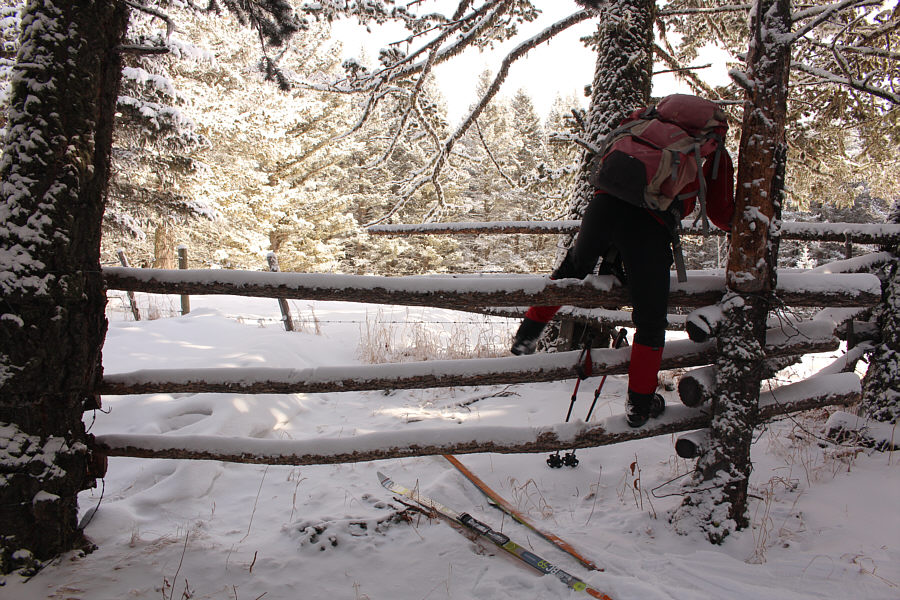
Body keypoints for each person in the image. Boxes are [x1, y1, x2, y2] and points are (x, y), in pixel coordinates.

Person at [510, 94, 735, 427]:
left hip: (603, 207)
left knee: (572, 268)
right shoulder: (709, 146)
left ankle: (527, 334)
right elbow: (720, 214)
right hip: (650, 226)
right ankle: (640, 404)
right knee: (650, 319)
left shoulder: (642, 120)